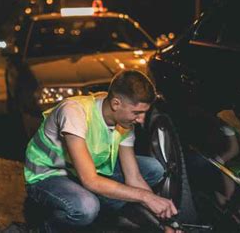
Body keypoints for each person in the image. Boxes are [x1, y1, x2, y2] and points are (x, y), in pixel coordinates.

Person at [24, 70, 180, 233]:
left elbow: (133, 178)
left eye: (144, 113)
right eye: (137, 113)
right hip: (49, 174)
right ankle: (44, 227)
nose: (141, 120)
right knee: (87, 207)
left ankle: (102, 208)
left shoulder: (124, 122)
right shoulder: (74, 112)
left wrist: (163, 224)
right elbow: (90, 180)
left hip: (83, 170)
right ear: (116, 104)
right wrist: (146, 197)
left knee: (153, 168)